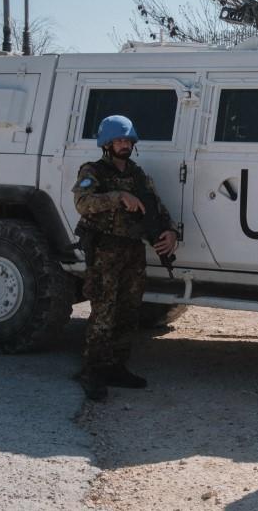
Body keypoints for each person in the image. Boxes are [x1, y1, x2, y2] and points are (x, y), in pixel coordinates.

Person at [72, 115, 178, 401]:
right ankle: (92, 370)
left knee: (128, 311)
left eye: (128, 140)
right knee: (104, 310)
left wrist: (169, 232)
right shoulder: (93, 171)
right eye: (118, 140)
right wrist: (117, 196)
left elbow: (155, 206)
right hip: (105, 249)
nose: (124, 145)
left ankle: (116, 366)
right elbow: (83, 203)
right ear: (106, 143)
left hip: (132, 250)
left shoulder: (138, 174)